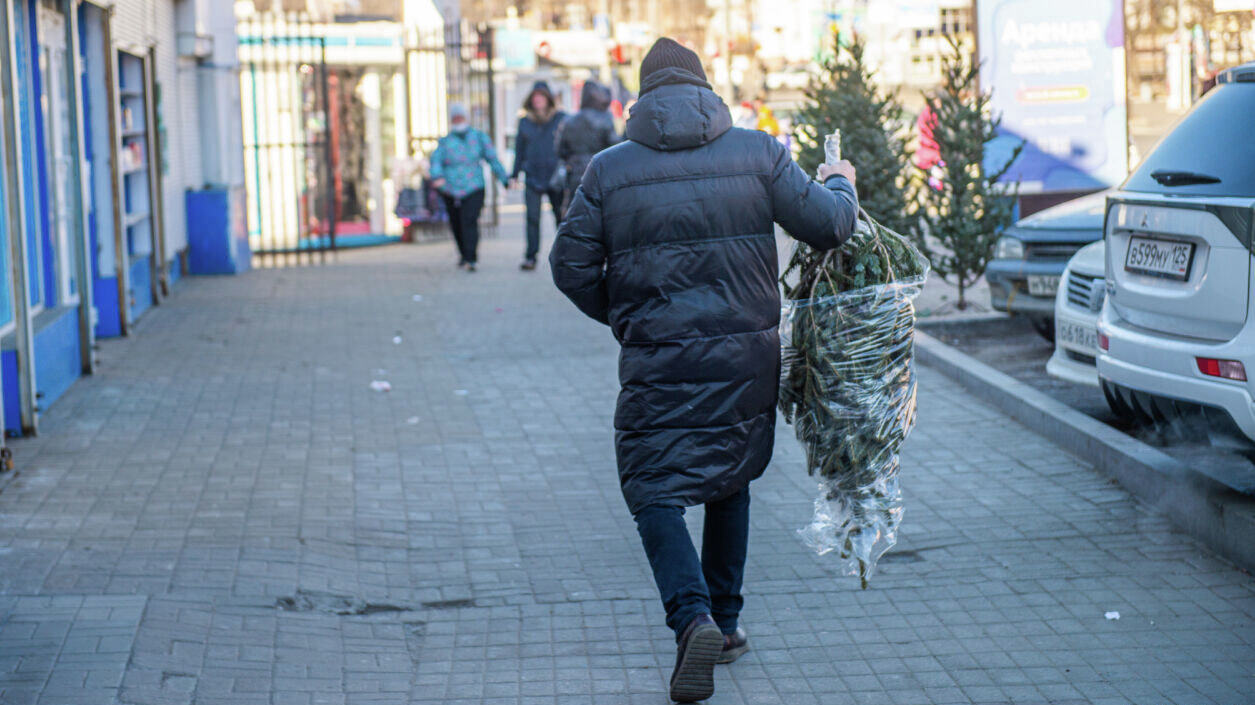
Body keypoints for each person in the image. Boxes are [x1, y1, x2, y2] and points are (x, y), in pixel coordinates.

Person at [548, 38, 858, 703]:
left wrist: (628, 316)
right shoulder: (757, 151)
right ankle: (726, 620)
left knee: (651, 483)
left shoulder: (608, 169)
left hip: (657, 355)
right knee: (729, 474)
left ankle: (693, 618)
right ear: (704, 88)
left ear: (642, 96)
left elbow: (567, 267)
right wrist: (841, 181)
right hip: (745, 357)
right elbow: (831, 226)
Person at [429, 103, 508, 272]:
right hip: (450, 188)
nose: (458, 120)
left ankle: (471, 257)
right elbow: (436, 161)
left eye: (460, 117)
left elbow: (492, 159)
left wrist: (504, 178)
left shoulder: (479, 137)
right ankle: (463, 254)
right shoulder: (445, 141)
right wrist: (437, 177)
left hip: (474, 186)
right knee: (456, 222)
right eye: (455, 118)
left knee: (469, 220)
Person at [510, 81, 567, 271]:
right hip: (533, 176)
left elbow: (569, 146)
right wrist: (514, 174)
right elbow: (519, 150)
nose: (538, 101)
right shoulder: (525, 122)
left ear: (548, 99)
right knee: (532, 218)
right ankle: (530, 257)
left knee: (561, 217)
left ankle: (565, 256)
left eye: (541, 97)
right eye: (535, 98)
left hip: (555, 177)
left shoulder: (561, 119)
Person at [555, 79, 619, 218]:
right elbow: (615, 147)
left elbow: (560, 149)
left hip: (576, 173)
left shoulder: (569, 121)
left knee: (576, 214)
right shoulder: (605, 119)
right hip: (600, 172)